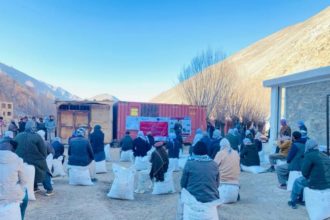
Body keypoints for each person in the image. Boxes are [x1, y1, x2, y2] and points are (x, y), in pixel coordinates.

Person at [15, 120, 54, 196]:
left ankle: (35, 187)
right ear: (34, 127)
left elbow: (14, 148)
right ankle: (49, 189)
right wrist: (43, 158)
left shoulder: (18, 136)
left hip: (21, 160)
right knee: (44, 171)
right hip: (36, 159)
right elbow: (43, 150)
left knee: (31, 171)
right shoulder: (37, 136)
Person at [288, 139, 330, 209]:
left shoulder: (309, 155)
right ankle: (300, 199)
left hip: (317, 183)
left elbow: (304, 172)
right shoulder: (324, 155)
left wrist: (308, 176)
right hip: (328, 182)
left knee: (298, 181)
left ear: (308, 146)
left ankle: (293, 201)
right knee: (303, 180)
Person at [0, 136, 28, 220]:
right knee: (25, 199)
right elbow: (24, 181)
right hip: (12, 195)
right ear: (12, 149)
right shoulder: (18, 160)